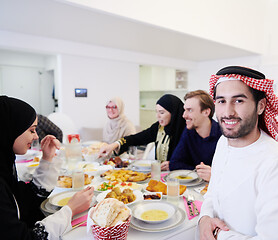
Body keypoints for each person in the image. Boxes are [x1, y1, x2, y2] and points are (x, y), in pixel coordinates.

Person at [197, 66, 278, 240]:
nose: (227, 112)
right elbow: (214, 190)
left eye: (238, 101)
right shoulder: (223, 143)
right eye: (221, 101)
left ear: (261, 106)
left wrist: (218, 234)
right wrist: (204, 217)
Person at [0, 96, 94, 240]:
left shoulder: (6, 165)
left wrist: (47, 159)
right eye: (31, 131)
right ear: (11, 129)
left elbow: (25, 201)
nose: (36, 136)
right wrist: (70, 210)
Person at [99, 94, 186, 170]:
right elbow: (137, 138)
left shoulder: (186, 131)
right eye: (157, 112)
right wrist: (114, 145)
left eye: (162, 113)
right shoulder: (159, 127)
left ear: (173, 113)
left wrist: (174, 164)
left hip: (181, 179)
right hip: (161, 175)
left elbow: (192, 161)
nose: (157, 116)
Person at [169, 90, 222, 181]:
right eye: (184, 110)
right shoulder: (189, 132)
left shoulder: (223, 135)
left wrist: (214, 173)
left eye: (189, 110)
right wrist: (199, 171)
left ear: (206, 112)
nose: (184, 115)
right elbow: (174, 163)